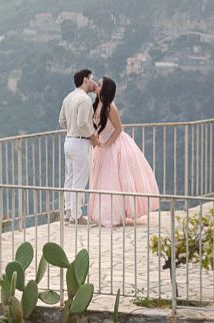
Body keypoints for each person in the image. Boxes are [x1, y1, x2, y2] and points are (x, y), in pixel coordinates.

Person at [89, 77, 160, 226]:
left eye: (100, 84)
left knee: (112, 180)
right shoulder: (97, 104)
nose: (97, 84)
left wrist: (107, 143)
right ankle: (102, 213)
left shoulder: (110, 107)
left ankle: (112, 215)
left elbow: (118, 129)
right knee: (104, 180)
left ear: (105, 89)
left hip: (114, 146)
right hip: (102, 146)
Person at [58, 69, 97, 223]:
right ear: (85, 80)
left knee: (70, 177)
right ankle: (76, 215)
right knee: (79, 180)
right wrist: (93, 137)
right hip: (81, 142)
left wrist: (71, 129)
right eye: (92, 79)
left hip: (68, 141)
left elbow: (62, 121)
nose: (93, 82)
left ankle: (68, 212)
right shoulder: (85, 100)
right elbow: (82, 123)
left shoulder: (68, 98)